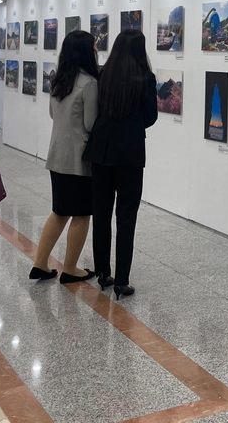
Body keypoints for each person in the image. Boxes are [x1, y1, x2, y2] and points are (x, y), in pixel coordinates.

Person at [83, 29, 157, 299]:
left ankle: (103, 272)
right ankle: (122, 280)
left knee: (101, 214)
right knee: (126, 218)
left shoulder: (103, 75)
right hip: (130, 154)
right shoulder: (146, 78)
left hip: (101, 152)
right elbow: (150, 116)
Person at [31, 30, 99, 284]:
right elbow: (91, 123)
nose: (96, 50)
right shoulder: (90, 83)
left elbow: (52, 114)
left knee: (59, 211)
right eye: (94, 46)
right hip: (79, 158)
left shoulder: (58, 79)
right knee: (81, 214)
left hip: (57, 155)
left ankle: (40, 263)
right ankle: (71, 268)